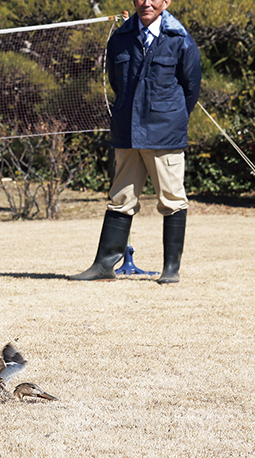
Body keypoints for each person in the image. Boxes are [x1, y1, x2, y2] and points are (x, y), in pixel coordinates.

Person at [69, 0, 201, 284]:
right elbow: (117, 83)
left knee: (172, 199)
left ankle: (170, 269)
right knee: (120, 199)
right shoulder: (120, 38)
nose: (147, 2)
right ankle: (104, 265)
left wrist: (169, 117)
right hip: (127, 131)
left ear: (166, 2)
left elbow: (191, 89)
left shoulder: (180, 40)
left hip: (165, 133)